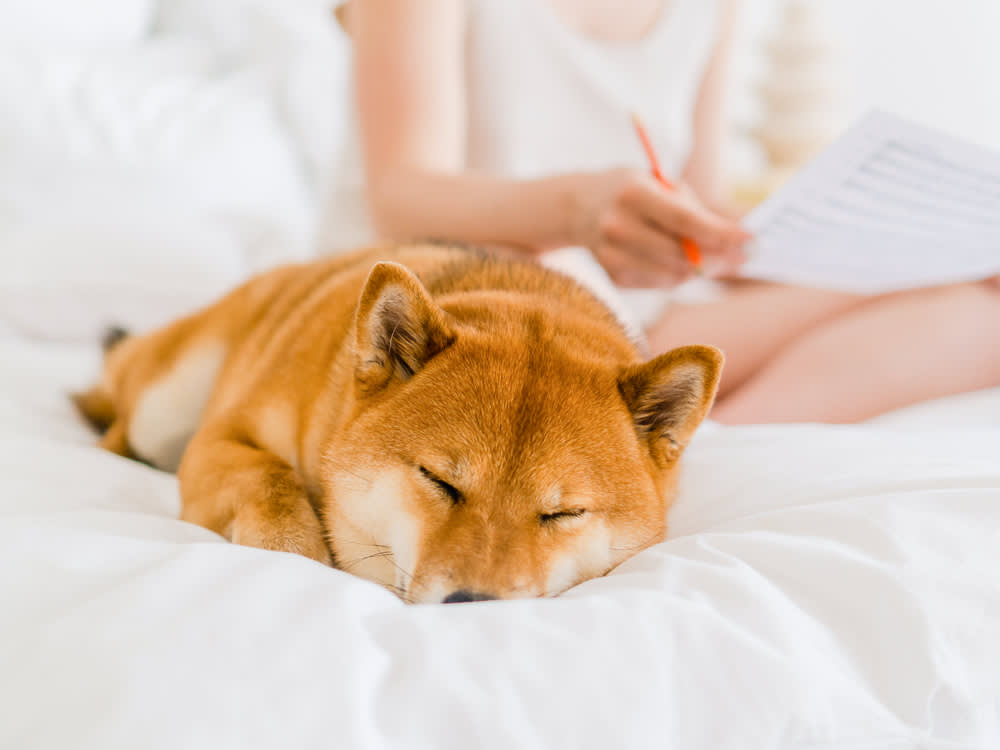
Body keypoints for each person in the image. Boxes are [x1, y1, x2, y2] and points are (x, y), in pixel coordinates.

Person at [332, 0, 1000, 423]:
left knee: (979, 303)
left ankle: (710, 445)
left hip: (648, 304)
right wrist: (578, 210)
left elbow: (701, 195)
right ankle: (682, 443)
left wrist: (873, 239)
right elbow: (401, 193)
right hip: (482, 289)